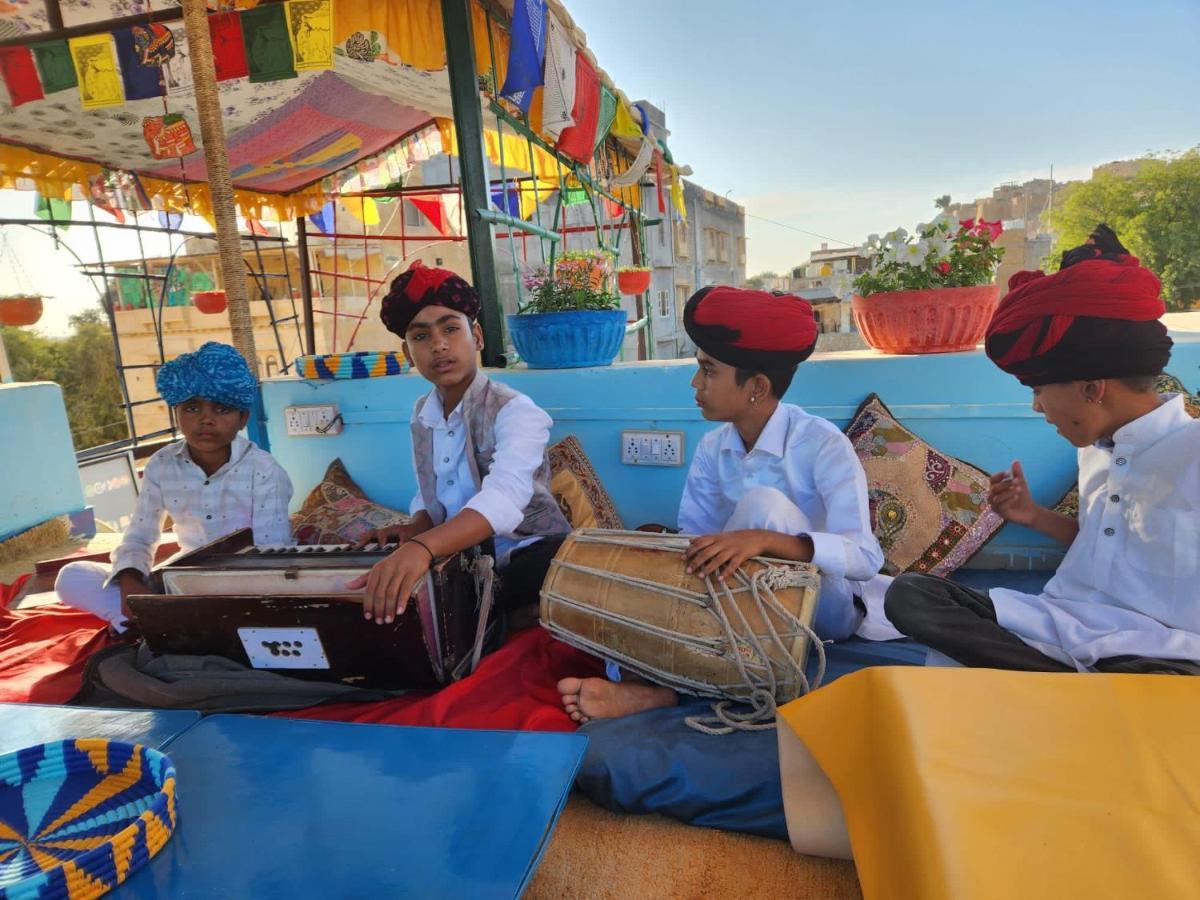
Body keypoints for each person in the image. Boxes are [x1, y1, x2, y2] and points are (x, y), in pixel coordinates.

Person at [559, 286, 887, 721]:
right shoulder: (713, 448)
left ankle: (667, 693)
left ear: (757, 387)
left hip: (825, 615)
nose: (696, 383)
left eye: (708, 371)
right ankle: (649, 680)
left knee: (764, 505)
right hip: (741, 605)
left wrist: (764, 540)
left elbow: (865, 558)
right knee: (654, 584)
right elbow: (695, 546)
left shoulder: (823, 443)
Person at [884, 225, 1199, 674]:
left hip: (1157, 649)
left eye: (1038, 389)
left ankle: (1089, 682)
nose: (1037, 407)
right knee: (911, 593)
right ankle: (1074, 682)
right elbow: (1106, 546)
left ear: (1092, 388)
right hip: (1059, 625)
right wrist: (1032, 516)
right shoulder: (1094, 450)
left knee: (1159, 675)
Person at [349, 261, 570, 625]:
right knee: (379, 582)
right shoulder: (422, 413)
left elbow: (502, 501)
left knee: (549, 563)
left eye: (451, 329)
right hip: (457, 557)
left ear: (477, 336)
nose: (438, 345)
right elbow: (434, 493)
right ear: (408, 354)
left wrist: (423, 547)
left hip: (523, 554)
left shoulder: (517, 411)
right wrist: (416, 527)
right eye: (420, 337)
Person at [56, 342, 293, 632]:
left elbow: (273, 555)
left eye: (222, 408)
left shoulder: (264, 470)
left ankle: (151, 627)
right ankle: (148, 621)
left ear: (242, 418)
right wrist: (130, 577)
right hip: (180, 583)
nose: (206, 419)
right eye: (192, 407)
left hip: (244, 587)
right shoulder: (162, 464)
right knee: (72, 577)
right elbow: (140, 535)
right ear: (176, 413)